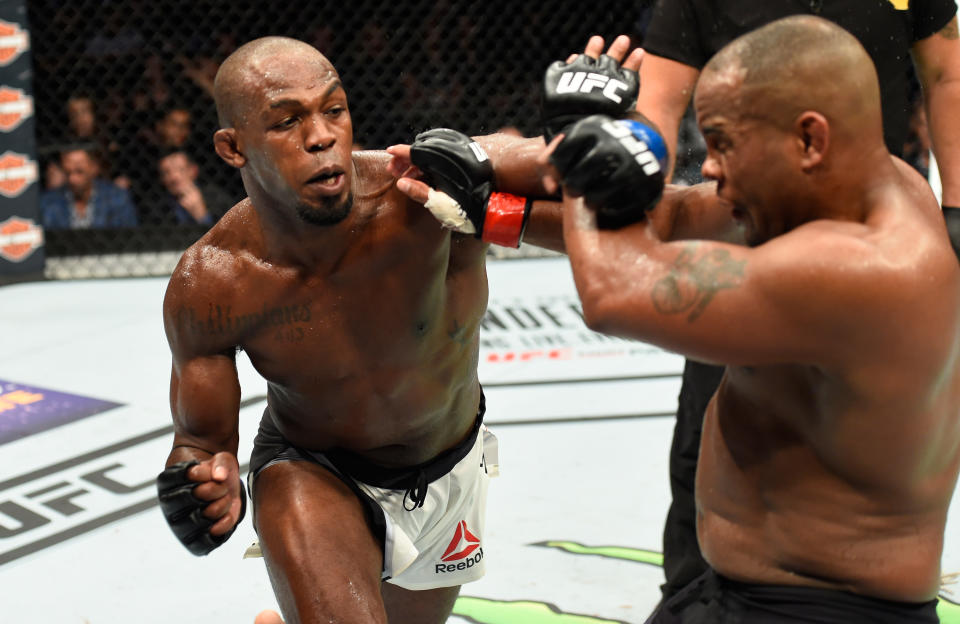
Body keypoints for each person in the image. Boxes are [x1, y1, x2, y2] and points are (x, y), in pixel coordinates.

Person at [546, 17, 960, 622]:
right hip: (735, 592)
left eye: (722, 142)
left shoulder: (861, 267)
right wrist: (483, 184)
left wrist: (582, 138)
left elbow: (614, 289)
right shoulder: (862, 187)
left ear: (809, 140)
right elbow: (676, 217)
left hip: (819, 612)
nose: (708, 166)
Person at [155, 35, 563, 624]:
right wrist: (201, 487)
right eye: (287, 121)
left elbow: (528, 164)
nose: (321, 136)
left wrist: (585, 134)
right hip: (315, 469)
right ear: (233, 147)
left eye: (334, 109)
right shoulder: (212, 284)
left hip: (452, 462)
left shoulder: (419, 195)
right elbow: (200, 443)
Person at [39, 145, 138, 229]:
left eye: (79, 172)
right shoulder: (48, 202)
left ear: (94, 168)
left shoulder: (117, 198)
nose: (72, 179)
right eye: (68, 173)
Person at [154, 148, 233, 226]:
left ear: (193, 171)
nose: (174, 177)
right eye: (166, 173)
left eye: (181, 170)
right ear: (161, 179)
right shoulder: (157, 206)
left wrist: (202, 216)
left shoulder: (216, 196)